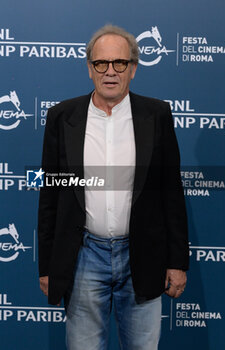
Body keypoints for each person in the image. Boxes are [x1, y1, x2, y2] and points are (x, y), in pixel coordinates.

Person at [38, 24, 189, 350]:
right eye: (101, 64)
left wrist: (177, 262)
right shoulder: (61, 117)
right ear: (89, 69)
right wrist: (48, 264)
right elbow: (50, 195)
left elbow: (171, 192)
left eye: (119, 63)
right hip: (82, 257)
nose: (110, 72)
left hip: (142, 255)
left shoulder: (157, 114)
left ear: (133, 69)